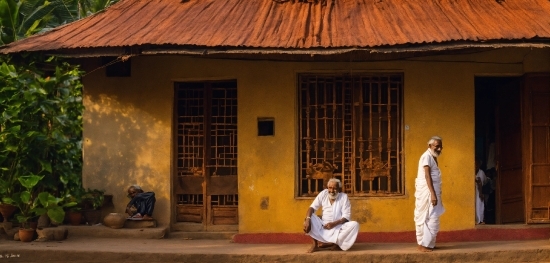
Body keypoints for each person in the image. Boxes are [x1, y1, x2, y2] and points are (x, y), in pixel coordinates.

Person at [302, 178, 359, 253]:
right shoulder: (323, 194)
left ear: (339, 189)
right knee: (309, 218)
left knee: (355, 225)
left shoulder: (344, 197)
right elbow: (312, 207)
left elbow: (346, 216)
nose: (332, 191)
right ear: (327, 188)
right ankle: (315, 245)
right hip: (323, 225)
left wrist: (334, 224)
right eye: (330, 188)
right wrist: (308, 219)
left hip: (338, 227)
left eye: (335, 188)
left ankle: (336, 244)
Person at [414, 136, 445, 252]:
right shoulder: (426, 157)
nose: (439, 149)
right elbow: (427, 176)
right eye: (437, 146)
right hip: (427, 191)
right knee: (428, 216)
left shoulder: (432, 157)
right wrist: (432, 194)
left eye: (441, 146)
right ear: (430, 146)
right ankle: (423, 244)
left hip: (433, 191)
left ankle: (429, 243)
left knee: (433, 216)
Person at [475, 159, 486, 225]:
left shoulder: (481, 172)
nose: (476, 166)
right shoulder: (471, 171)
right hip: (474, 191)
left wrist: (481, 193)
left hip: (479, 191)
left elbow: (483, 182)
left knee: (480, 204)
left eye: (477, 164)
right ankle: (476, 220)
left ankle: (480, 220)